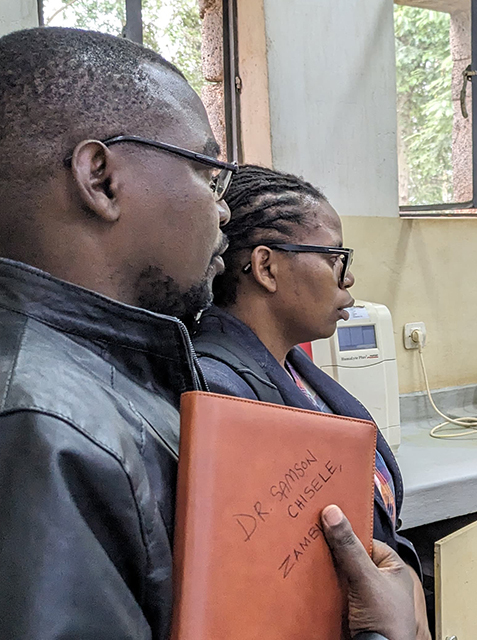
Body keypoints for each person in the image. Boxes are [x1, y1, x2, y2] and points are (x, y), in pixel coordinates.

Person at [0, 27, 415, 640]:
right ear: (101, 179)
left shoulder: (121, 376)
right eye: (207, 172)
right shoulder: (49, 426)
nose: (223, 209)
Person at [190, 164, 430, 638]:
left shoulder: (295, 368)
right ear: (266, 267)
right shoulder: (222, 394)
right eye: (334, 256)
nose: (349, 278)